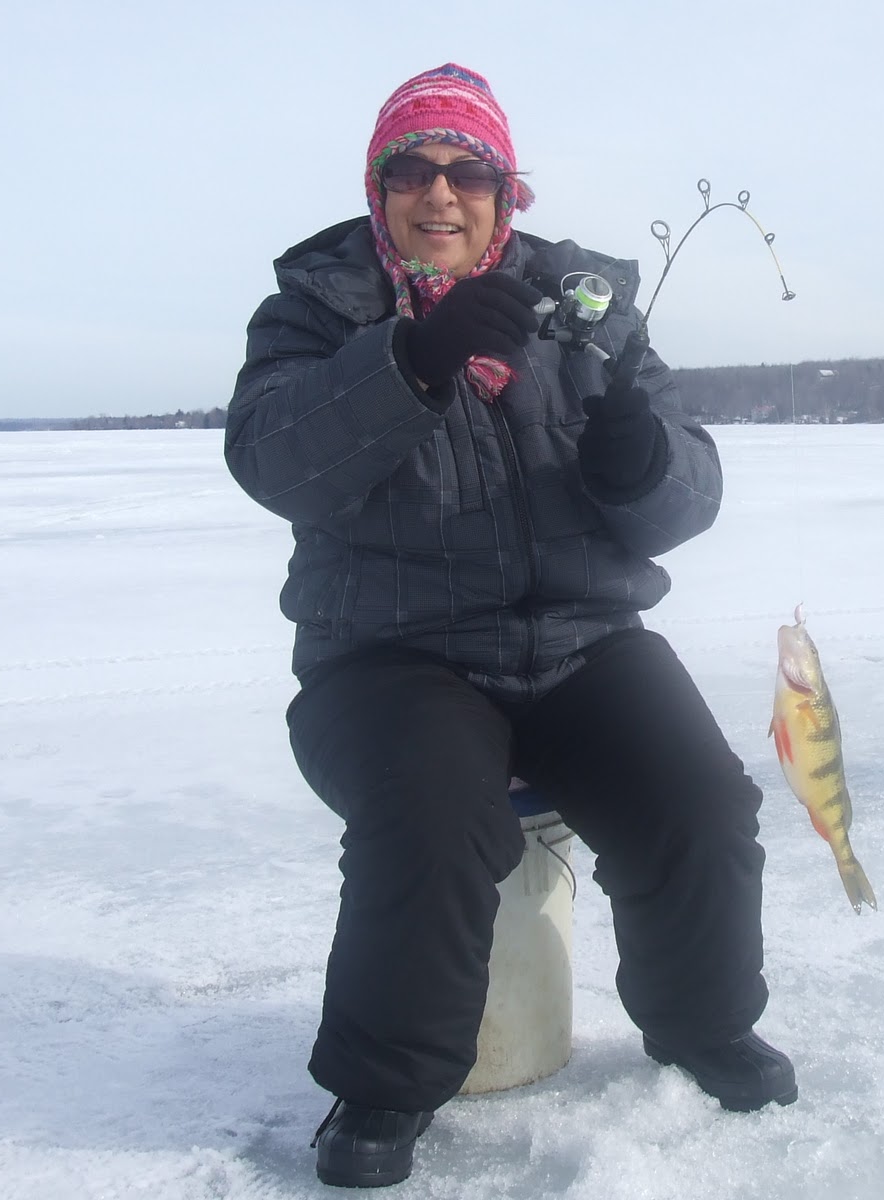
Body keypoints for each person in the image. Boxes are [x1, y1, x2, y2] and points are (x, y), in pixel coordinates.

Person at [224, 64, 794, 1189]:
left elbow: (689, 494)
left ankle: (701, 1024)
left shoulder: (584, 302)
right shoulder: (316, 306)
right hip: (388, 656)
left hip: (582, 642)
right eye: (411, 170)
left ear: (505, 190)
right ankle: (386, 1082)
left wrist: (640, 456)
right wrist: (409, 362)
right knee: (435, 821)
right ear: (377, 187)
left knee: (699, 803)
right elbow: (276, 461)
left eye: (467, 170)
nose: (440, 195)